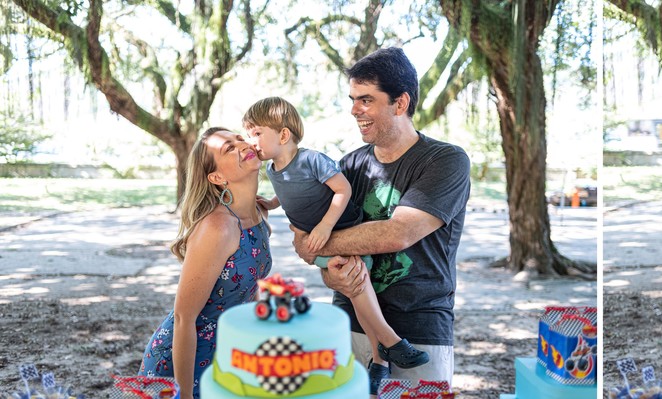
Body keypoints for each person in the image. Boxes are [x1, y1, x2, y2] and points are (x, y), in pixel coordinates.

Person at [288, 47, 471, 387]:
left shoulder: (445, 161)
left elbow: (397, 234)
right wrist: (333, 277)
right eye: (353, 99)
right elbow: (312, 251)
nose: (355, 110)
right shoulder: (348, 166)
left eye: (366, 100)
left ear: (400, 103)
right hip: (347, 325)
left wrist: (315, 243)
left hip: (419, 331)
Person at [242, 97, 429, 390]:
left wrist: (326, 226)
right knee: (356, 289)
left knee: (357, 285)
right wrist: (272, 202)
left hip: (344, 229)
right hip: (318, 243)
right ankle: (386, 351)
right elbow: (289, 192)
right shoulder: (275, 170)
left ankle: (385, 352)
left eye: (256, 133)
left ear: (282, 135)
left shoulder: (311, 159)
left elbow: (342, 189)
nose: (250, 141)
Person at [137, 127, 272, 399]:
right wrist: (183, 394)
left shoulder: (259, 213)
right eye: (228, 148)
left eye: (239, 139)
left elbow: (251, 289)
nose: (241, 145)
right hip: (184, 368)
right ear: (217, 177)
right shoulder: (218, 227)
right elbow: (183, 318)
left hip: (229, 358)